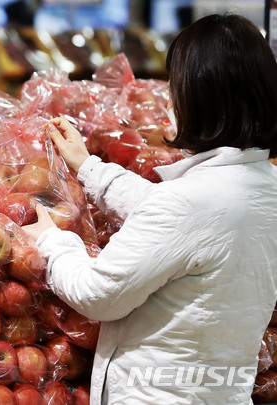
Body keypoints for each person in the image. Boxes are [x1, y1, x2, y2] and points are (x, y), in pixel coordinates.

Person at [22, 13, 277, 405]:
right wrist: (89, 168)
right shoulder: (264, 186)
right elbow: (179, 220)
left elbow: (99, 295)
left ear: (200, 98)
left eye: (177, 86)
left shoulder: (191, 203)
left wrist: (54, 242)